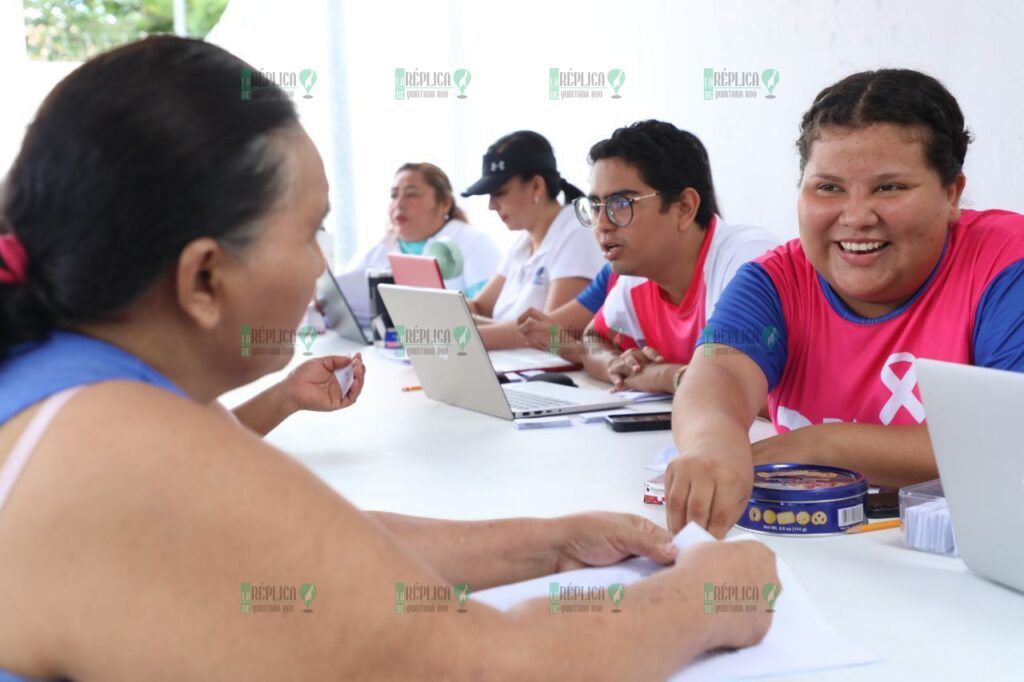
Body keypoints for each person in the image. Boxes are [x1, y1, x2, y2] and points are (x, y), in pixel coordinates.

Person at [0, 36, 777, 680]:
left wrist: (554, 541)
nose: (319, 269)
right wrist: (699, 602)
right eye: (310, 232)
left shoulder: (67, 390)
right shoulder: (121, 448)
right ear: (205, 277)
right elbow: (485, 663)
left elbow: (317, 542)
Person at [665, 68, 1024, 538]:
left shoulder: (1004, 264)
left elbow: (1005, 440)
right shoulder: (775, 281)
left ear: (952, 193)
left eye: (889, 187)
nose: (856, 217)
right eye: (828, 187)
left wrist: (819, 444)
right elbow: (720, 373)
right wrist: (711, 444)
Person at [518, 120, 778, 393]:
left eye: (621, 204)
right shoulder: (639, 276)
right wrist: (617, 365)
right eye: (595, 206)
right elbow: (593, 338)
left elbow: (743, 389)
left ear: (684, 208)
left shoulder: (747, 263)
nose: (602, 224)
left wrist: (662, 375)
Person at [461, 131, 606, 349]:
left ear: (537, 186)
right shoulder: (522, 242)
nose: (491, 205)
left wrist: (456, 336)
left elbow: (547, 335)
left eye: (499, 192)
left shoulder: (577, 235)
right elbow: (480, 307)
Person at [338, 162, 501, 326]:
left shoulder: (474, 243)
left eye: (411, 194)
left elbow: (487, 311)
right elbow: (341, 301)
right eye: (394, 195)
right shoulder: (377, 249)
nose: (399, 204)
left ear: (445, 203)